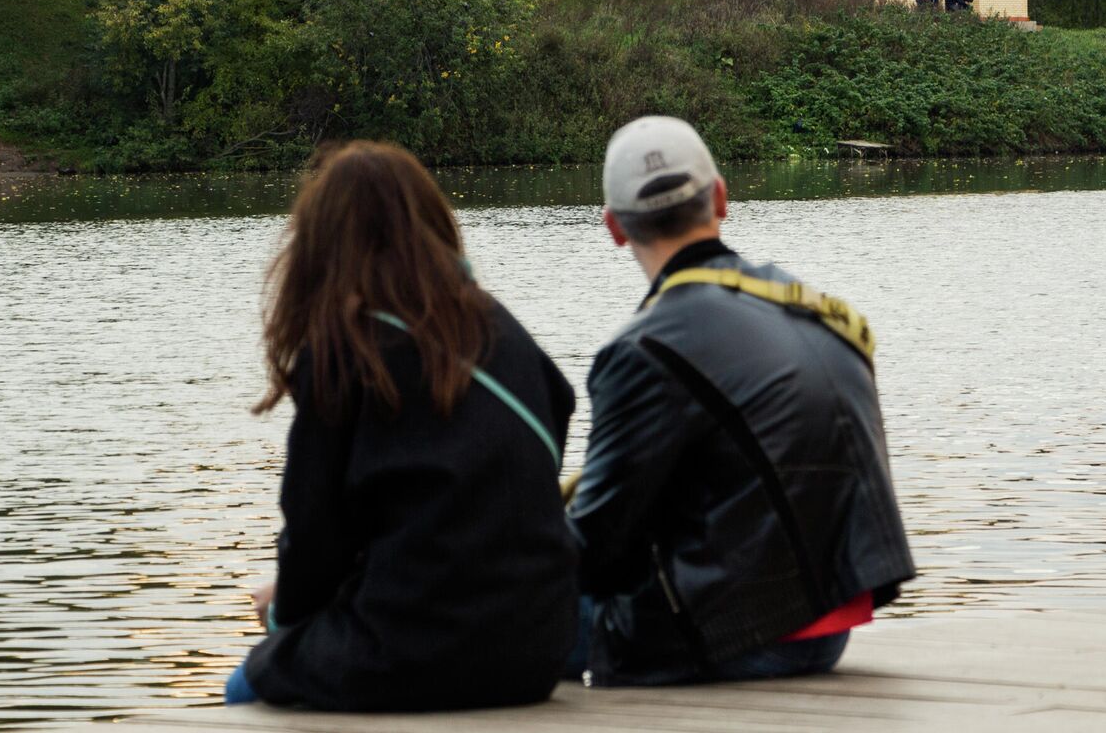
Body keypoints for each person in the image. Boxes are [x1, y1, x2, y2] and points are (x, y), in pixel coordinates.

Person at [566, 116, 914, 687]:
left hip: (733, 640)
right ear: (721, 197)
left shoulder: (643, 348)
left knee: (500, 599)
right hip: (826, 628)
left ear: (614, 228)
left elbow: (595, 547)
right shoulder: (813, 307)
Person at [228, 141, 577, 710]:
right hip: (538, 648)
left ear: (324, 249)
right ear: (432, 225)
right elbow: (557, 409)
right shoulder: (499, 327)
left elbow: (313, 530)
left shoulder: (344, 350)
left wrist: (286, 615)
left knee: (247, 684)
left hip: (412, 651)